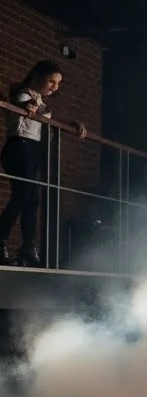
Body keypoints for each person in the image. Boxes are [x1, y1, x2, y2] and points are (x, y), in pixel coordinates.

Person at [2, 61, 85, 266]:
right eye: (51, 81)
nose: (54, 87)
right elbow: (19, 103)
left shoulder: (41, 100)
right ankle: (1, 240)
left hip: (33, 150)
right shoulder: (23, 93)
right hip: (19, 146)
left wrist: (72, 124)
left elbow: (48, 116)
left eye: (58, 83)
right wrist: (27, 107)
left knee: (32, 200)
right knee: (22, 197)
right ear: (38, 76)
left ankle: (29, 248)